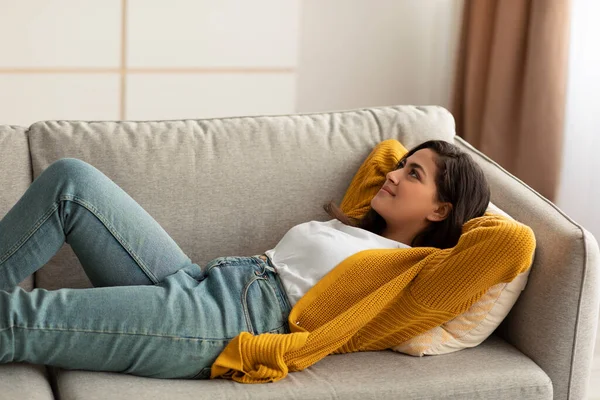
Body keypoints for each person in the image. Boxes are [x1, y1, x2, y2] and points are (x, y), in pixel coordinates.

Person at [0, 140, 490, 380]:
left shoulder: (411, 273)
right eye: (405, 167)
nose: (396, 173)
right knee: (71, 182)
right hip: (204, 280)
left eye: (415, 174)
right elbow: (385, 150)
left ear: (441, 209)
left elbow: (511, 245)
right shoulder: (362, 225)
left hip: (228, 324)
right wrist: (415, 172)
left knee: (17, 320)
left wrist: (467, 203)